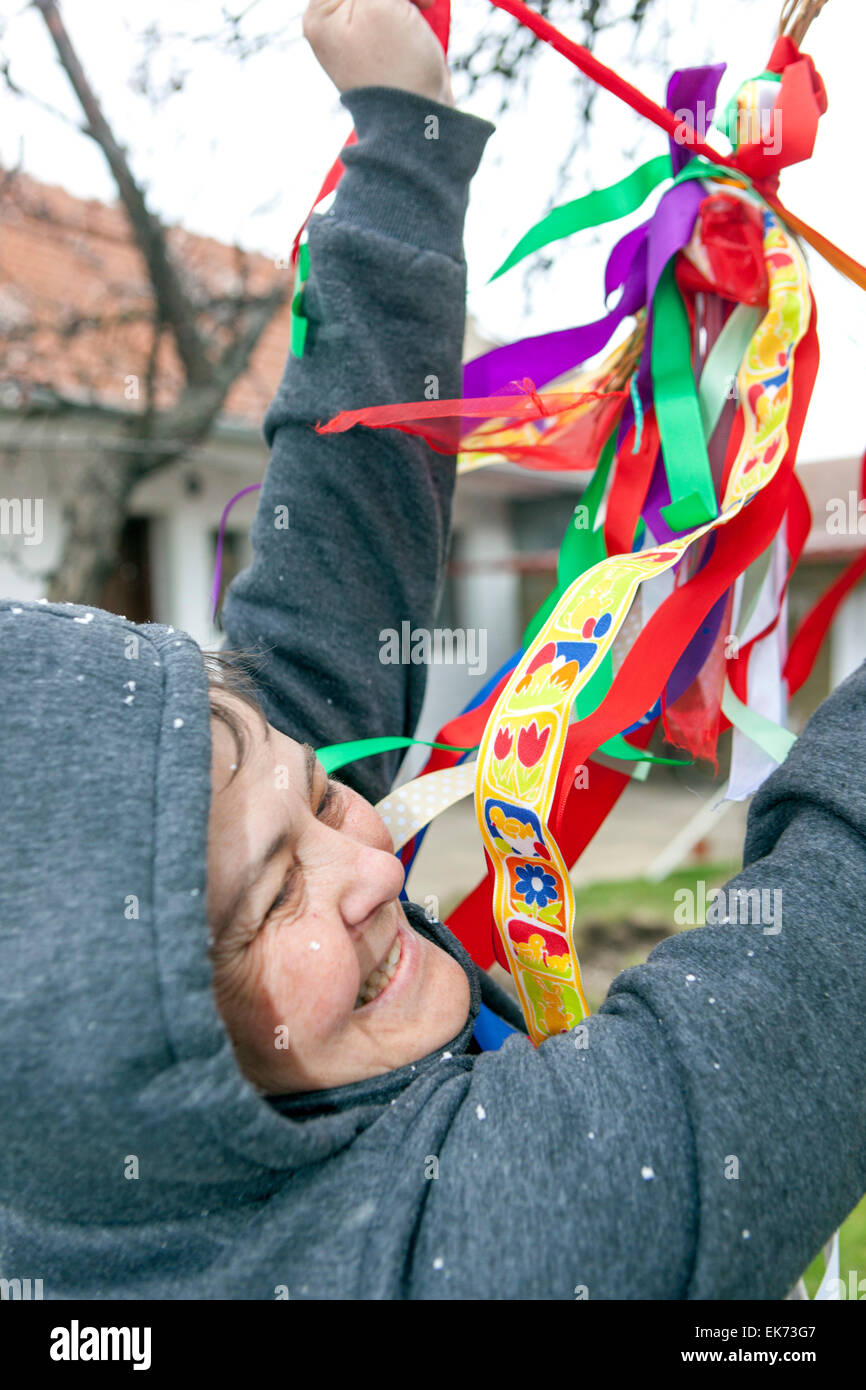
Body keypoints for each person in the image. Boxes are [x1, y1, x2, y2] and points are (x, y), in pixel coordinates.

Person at [1, 0, 864, 1302]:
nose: (366, 857)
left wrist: (400, 127)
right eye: (269, 897)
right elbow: (809, 986)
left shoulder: (146, 1134)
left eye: (311, 795)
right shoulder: (448, 1263)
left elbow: (317, 621)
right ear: (120, 1062)